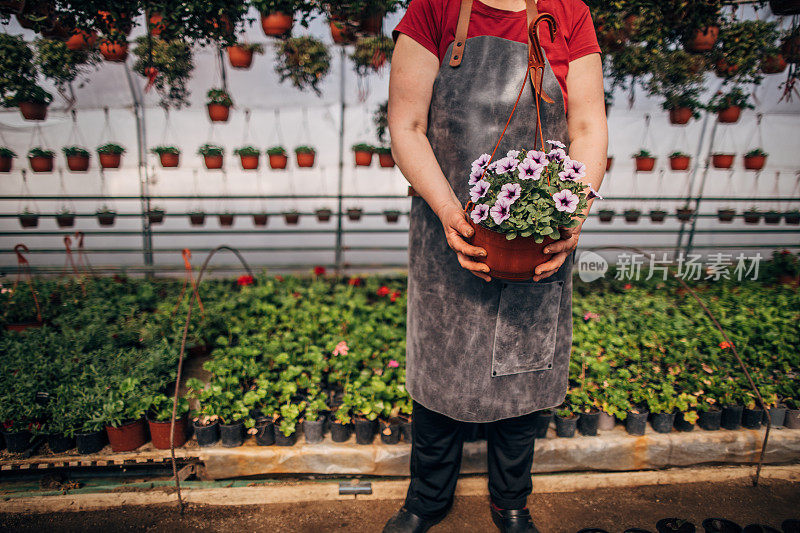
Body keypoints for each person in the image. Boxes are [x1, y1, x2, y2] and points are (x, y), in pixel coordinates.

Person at [384, 0, 607, 531]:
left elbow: (588, 125)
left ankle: (511, 500)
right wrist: (447, 211)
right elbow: (407, 124)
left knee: (525, 365)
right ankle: (427, 500)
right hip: (447, 230)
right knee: (441, 365)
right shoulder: (435, 8)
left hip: (536, 234)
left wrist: (572, 211)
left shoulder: (567, 11)